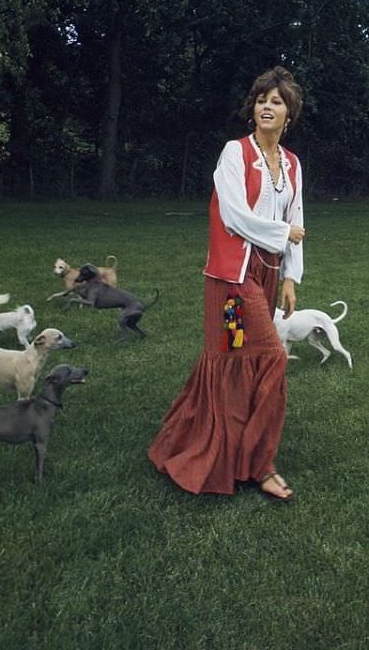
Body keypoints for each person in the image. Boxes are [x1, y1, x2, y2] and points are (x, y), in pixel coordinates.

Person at [148, 66, 305, 502]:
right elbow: (233, 215)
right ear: (252, 110)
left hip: (268, 275)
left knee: (237, 356)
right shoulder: (233, 154)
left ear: (289, 114)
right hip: (233, 282)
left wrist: (291, 274)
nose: (267, 107)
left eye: (276, 101)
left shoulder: (291, 164)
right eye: (261, 100)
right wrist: (282, 236)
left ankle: (229, 452)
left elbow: (298, 220)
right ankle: (260, 464)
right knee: (270, 355)